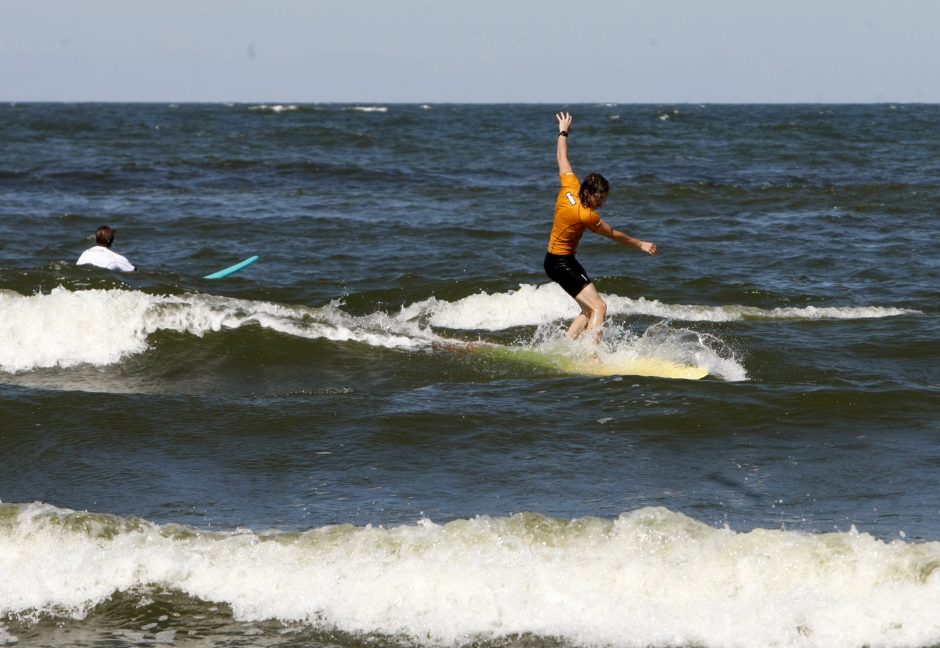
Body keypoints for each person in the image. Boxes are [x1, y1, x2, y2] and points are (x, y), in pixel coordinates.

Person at [544, 112, 657, 341]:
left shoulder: (570, 186)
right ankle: (592, 357)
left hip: (558, 260)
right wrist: (641, 244)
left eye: (604, 198)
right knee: (599, 308)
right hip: (560, 263)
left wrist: (563, 131)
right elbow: (614, 234)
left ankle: (565, 347)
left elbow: (561, 157)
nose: (602, 202)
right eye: (599, 198)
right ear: (588, 193)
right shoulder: (585, 215)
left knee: (588, 309)